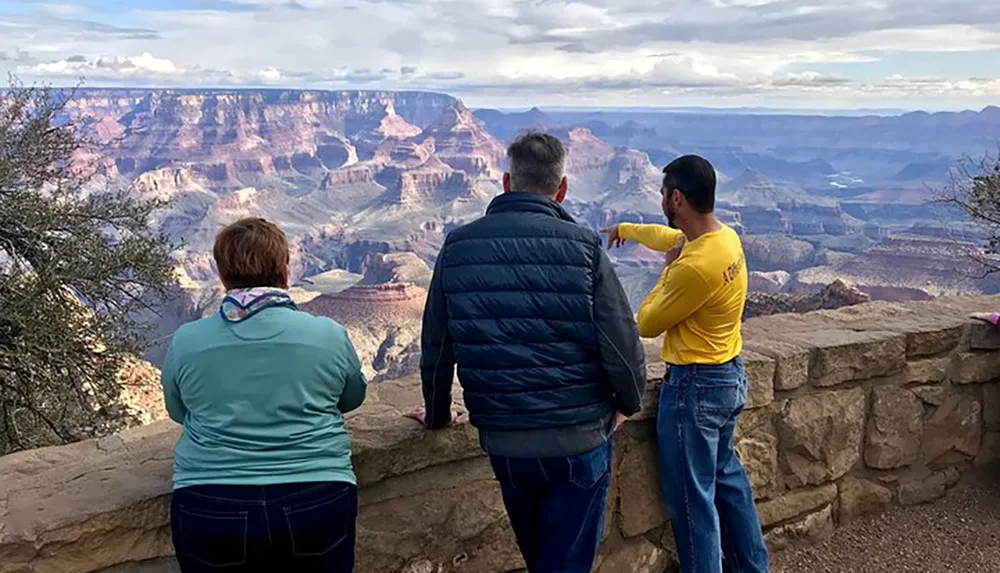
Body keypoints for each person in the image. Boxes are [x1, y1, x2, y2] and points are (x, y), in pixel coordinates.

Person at [406, 131, 646, 573]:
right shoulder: (584, 246)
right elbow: (620, 342)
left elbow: (436, 349)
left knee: (541, 559)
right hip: (579, 437)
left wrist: (437, 414)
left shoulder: (458, 246)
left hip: (506, 441)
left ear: (505, 182)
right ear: (562, 188)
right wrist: (627, 403)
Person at [161, 217, 367, 573]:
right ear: (285, 272)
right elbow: (352, 398)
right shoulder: (329, 335)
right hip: (317, 495)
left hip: (210, 501)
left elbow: (177, 411)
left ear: (223, 277)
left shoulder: (186, 341)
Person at [602, 156, 769, 573]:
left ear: (676, 198)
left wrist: (667, 270)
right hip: (729, 375)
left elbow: (646, 322)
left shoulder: (693, 266)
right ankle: (753, 567)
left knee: (692, 503)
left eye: (662, 194)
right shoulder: (723, 238)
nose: (660, 200)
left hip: (696, 387)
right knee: (728, 482)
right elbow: (670, 238)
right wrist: (626, 230)